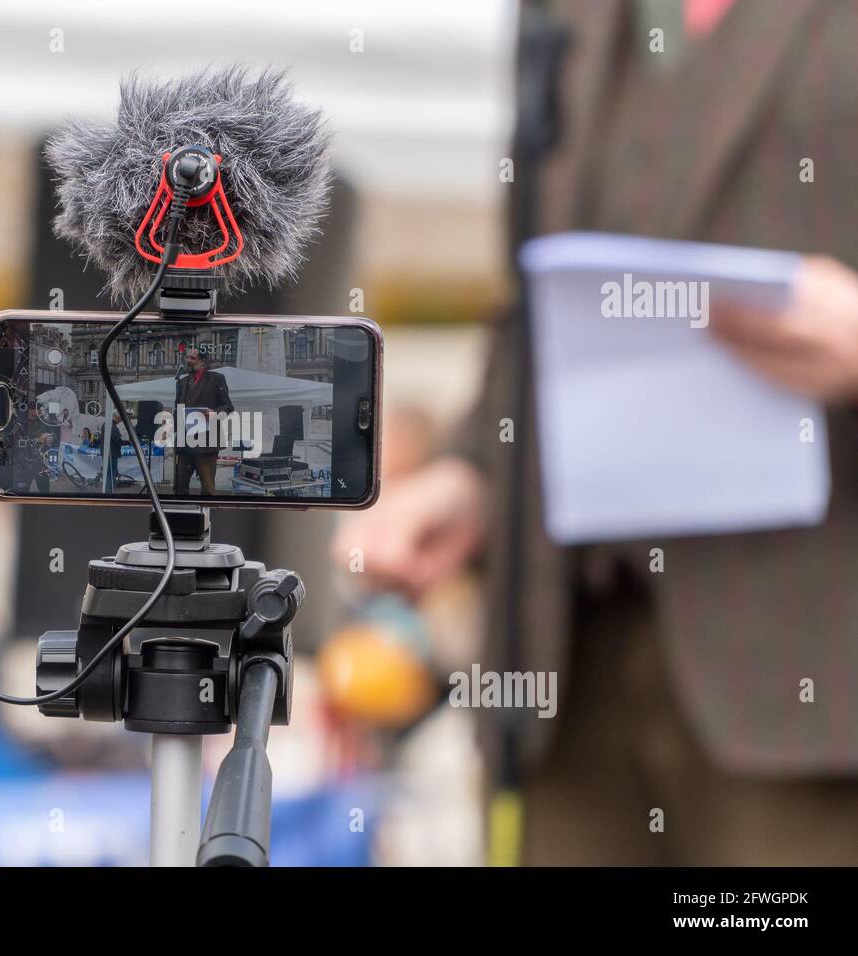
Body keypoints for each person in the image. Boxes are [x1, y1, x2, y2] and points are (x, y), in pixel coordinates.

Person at [337, 0, 858, 865]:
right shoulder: (560, 14)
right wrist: (473, 473)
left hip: (809, 681)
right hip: (565, 666)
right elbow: (536, 302)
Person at [173, 348, 233, 496]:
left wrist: (215, 413)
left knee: (207, 487)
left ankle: (206, 515)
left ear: (203, 361)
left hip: (206, 441)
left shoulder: (216, 379)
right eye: (187, 357)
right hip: (185, 441)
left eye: (192, 358)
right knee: (179, 485)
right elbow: (178, 407)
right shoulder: (181, 382)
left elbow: (228, 406)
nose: (188, 360)